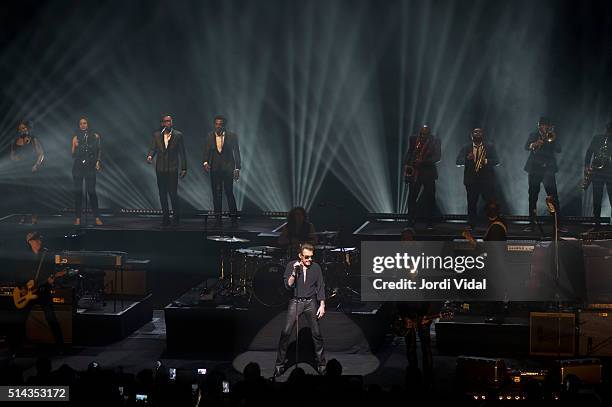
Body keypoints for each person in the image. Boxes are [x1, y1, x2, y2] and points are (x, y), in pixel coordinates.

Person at [274, 243, 326, 376]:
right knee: (286, 332)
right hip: (295, 301)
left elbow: (320, 285)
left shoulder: (316, 267)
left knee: (317, 333)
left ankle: (321, 364)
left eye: (311, 257)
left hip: (310, 302)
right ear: (300, 256)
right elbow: (288, 285)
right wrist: (293, 272)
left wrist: (322, 305)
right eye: (306, 257)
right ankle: (279, 364)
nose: (309, 260)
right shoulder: (292, 265)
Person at [395, 227, 434, 389]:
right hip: (408, 310)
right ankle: (413, 375)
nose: (407, 242)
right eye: (404, 239)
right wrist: (402, 315)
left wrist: (428, 313)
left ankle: (428, 377)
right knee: (410, 345)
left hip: (422, 309)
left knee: (425, 344)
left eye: (409, 239)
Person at [14, 232, 65, 350]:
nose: (39, 242)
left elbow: (52, 272)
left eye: (40, 240)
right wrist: (23, 285)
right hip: (27, 293)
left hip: (42, 291)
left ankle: (60, 346)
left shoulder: (46, 254)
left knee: (51, 318)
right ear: (29, 241)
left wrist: (51, 280)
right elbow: (17, 273)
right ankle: (16, 347)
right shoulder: (23, 256)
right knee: (21, 319)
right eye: (36, 240)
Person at [523, 117, 564, 232]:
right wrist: (535, 143)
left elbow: (559, 150)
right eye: (543, 125)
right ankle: (532, 224)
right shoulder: (533, 135)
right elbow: (526, 147)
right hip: (534, 170)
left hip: (548, 170)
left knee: (553, 197)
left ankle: (558, 224)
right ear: (539, 126)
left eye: (547, 125)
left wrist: (553, 138)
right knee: (532, 197)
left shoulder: (553, 135)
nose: (545, 127)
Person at [147, 114, 187, 226]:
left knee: (173, 194)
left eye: (169, 121)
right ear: (162, 123)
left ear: (172, 122)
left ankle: (176, 217)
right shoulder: (157, 135)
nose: (168, 123)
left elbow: (182, 153)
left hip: (172, 168)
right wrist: (150, 156)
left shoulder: (178, 135)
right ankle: (165, 217)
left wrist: (184, 167)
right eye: (166, 121)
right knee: (162, 194)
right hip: (160, 169)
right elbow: (153, 148)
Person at [456, 128, 499, 229]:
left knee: (490, 203)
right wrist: (467, 159)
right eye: (475, 132)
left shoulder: (489, 146)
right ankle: (471, 224)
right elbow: (458, 161)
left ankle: (493, 223)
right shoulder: (466, 147)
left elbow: (497, 161)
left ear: (483, 134)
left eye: (480, 132)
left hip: (486, 180)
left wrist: (486, 161)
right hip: (471, 180)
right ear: (471, 135)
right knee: (471, 203)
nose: (478, 133)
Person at [202, 115, 241, 222]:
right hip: (215, 168)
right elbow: (207, 150)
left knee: (229, 192)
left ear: (224, 125)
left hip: (228, 168)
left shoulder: (232, 136)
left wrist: (237, 168)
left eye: (220, 124)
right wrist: (205, 162)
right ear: (214, 125)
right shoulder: (210, 136)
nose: (218, 126)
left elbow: (236, 152)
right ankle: (217, 217)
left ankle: (233, 216)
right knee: (216, 193)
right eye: (217, 124)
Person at [403, 125, 441, 229]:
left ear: (429, 133)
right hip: (415, 172)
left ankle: (430, 222)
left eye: (425, 134)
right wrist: (406, 165)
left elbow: (437, 157)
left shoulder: (435, 141)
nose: (423, 136)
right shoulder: (413, 139)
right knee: (412, 197)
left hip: (428, 173)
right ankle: (410, 221)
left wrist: (423, 162)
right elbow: (409, 152)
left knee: (430, 198)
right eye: (422, 133)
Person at [10, 120, 45, 224]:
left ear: (28, 128)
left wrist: (36, 165)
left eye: (24, 128)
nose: (23, 130)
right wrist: (16, 159)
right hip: (20, 171)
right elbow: (12, 156)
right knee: (21, 194)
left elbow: (41, 154)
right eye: (21, 128)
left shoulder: (33, 139)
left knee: (32, 194)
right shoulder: (15, 141)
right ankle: (23, 216)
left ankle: (34, 215)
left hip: (31, 170)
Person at [71, 117, 103, 226]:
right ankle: (78, 218)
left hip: (90, 166)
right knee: (78, 192)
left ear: (88, 124)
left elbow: (99, 150)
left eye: (84, 123)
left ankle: (97, 217)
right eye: (81, 123)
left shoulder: (95, 136)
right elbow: (73, 155)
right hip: (78, 166)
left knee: (91, 191)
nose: (83, 125)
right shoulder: (76, 137)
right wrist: (75, 147)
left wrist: (98, 162)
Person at [584, 121, 612, 226]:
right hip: (597, 171)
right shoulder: (597, 138)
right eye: (609, 131)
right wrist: (586, 166)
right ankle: (596, 223)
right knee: (597, 197)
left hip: (609, 171)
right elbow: (589, 152)